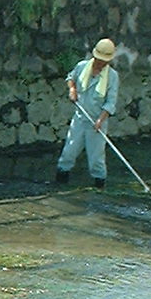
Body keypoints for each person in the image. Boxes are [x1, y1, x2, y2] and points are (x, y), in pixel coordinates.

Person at [56, 37, 120, 189]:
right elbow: (70, 78)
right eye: (99, 59)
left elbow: (110, 103)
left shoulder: (112, 77)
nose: (100, 63)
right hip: (79, 119)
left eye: (104, 60)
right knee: (68, 153)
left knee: (96, 160)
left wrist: (100, 120)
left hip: (97, 123)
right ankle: (59, 184)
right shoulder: (82, 66)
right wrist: (72, 89)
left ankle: (99, 186)